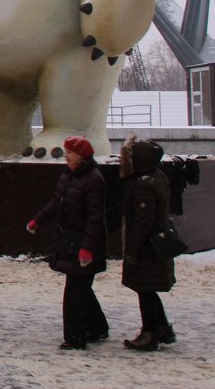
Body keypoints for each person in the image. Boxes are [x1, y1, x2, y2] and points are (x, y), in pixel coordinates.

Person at [26, 135, 109, 350]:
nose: (66, 156)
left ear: (81, 156)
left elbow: (95, 219)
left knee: (75, 291)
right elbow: (57, 202)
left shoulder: (93, 180)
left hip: (82, 242)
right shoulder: (69, 175)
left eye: (70, 153)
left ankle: (75, 337)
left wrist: (87, 249)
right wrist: (38, 219)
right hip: (70, 240)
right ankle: (98, 327)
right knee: (81, 288)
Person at [119, 135, 177, 351]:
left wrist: (131, 250)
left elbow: (143, 222)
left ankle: (150, 334)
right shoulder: (156, 176)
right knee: (148, 290)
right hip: (156, 244)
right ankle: (161, 328)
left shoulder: (143, 184)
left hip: (147, 249)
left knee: (145, 290)